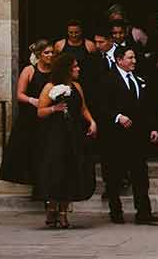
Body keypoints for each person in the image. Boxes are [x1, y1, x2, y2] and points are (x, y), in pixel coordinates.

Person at [34, 54, 98, 229]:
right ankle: (52, 207)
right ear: (66, 69)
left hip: (73, 133)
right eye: (75, 67)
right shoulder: (50, 86)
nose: (78, 69)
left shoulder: (76, 86)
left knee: (70, 171)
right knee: (56, 171)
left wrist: (91, 122)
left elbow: (83, 107)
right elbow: (40, 111)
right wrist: (54, 108)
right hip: (55, 135)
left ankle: (63, 213)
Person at [99, 44, 158, 224]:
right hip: (115, 136)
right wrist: (117, 117)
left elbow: (146, 107)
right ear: (119, 60)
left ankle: (143, 213)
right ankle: (115, 212)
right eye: (130, 58)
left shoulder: (138, 79)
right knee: (114, 176)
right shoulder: (107, 79)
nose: (134, 61)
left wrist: (152, 128)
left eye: (134, 58)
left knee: (140, 175)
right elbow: (101, 106)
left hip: (137, 136)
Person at [0, 39, 56, 187]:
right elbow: (20, 94)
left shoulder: (56, 71)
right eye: (46, 52)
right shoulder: (29, 70)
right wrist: (33, 100)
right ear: (39, 54)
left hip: (50, 115)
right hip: (31, 116)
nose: (50, 55)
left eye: (52, 52)